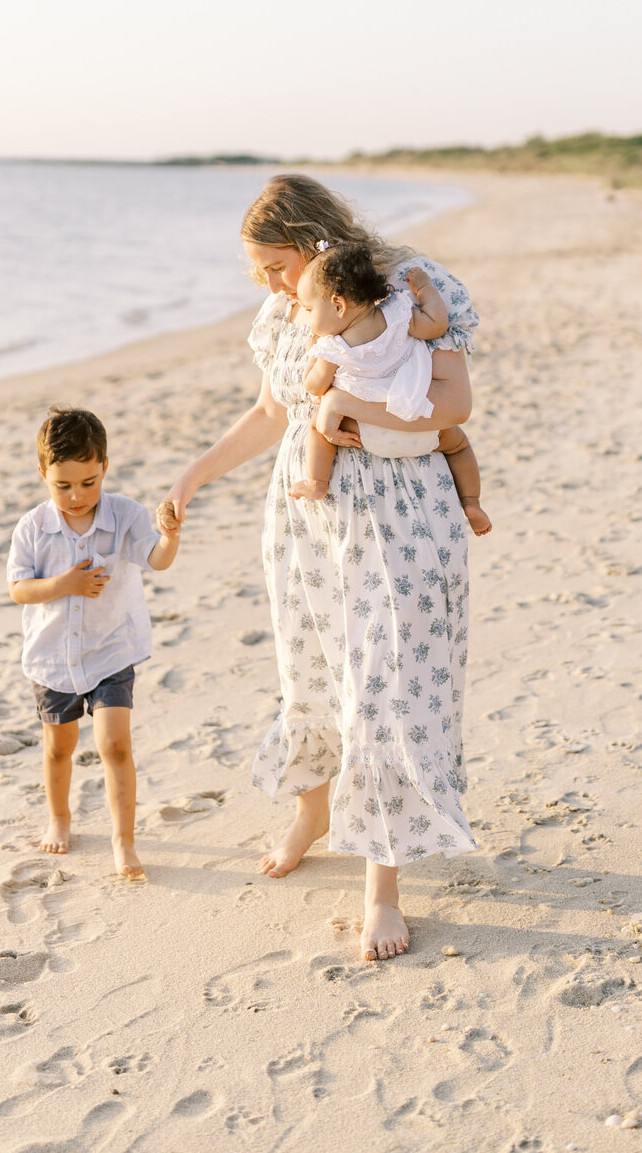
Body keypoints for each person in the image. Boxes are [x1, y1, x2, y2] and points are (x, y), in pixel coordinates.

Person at [164, 173, 481, 961]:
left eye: (277, 266)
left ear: (317, 242)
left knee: (389, 686)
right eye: (261, 273)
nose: (271, 287)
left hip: (401, 514)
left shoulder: (415, 288)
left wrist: (350, 414)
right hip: (308, 516)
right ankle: (312, 811)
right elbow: (277, 413)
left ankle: (382, 885)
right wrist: (194, 474)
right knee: (309, 671)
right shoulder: (284, 313)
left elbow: (449, 404)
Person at [7, 406, 181, 875]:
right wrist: (64, 584)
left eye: (88, 482)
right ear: (43, 474)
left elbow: (156, 560)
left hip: (110, 650)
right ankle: (59, 818)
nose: (77, 495)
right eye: (62, 485)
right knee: (59, 747)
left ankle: (123, 841)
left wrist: (170, 536)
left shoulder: (125, 514)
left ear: (104, 466)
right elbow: (18, 589)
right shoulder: (33, 528)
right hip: (53, 657)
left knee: (115, 745)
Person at [289, 241, 493, 535]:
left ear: (338, 304)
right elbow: (437, 324)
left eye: (310, 309)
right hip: (422, 421)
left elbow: (316, 387)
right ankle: (472, 502)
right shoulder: (398, 313)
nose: (308, 319)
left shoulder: (334, 347)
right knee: (459, 446)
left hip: (365, 431)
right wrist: (424, 288)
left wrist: (313, 355)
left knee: (317, 428)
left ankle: (316, 483)